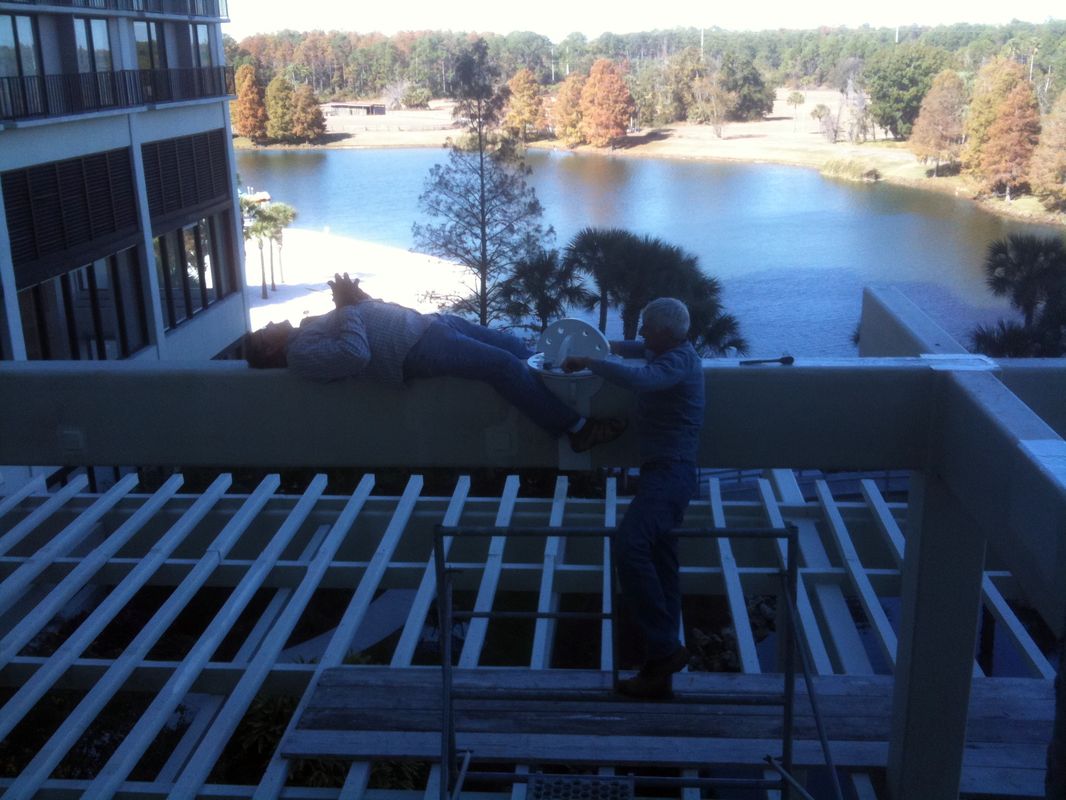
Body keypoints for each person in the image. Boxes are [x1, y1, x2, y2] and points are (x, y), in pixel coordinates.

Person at [244, 273, 626, 453]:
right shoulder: (300, 356)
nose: (270, 321)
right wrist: (347, 308)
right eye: (264, 333)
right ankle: (576, 427)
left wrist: (359, 298)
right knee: (504, 368)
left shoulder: (307, 330)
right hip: (416, 350)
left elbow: (364, 321)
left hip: (429, 325)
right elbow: (355, 353)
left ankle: (561, 388)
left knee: (513, 345)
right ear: (271, 353)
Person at [563, 297, 704, 699]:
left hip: (671, 474)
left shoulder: (678, 363)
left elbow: (642, 379)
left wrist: (590, 364)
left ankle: (664, 648)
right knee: (663, 567)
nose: (641, 331)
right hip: (666, 474)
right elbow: (629, 349)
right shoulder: (666, 349)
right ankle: (659, 673)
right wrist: (593, 347)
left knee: (630, 546)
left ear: (664, 331)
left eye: (646, 325)